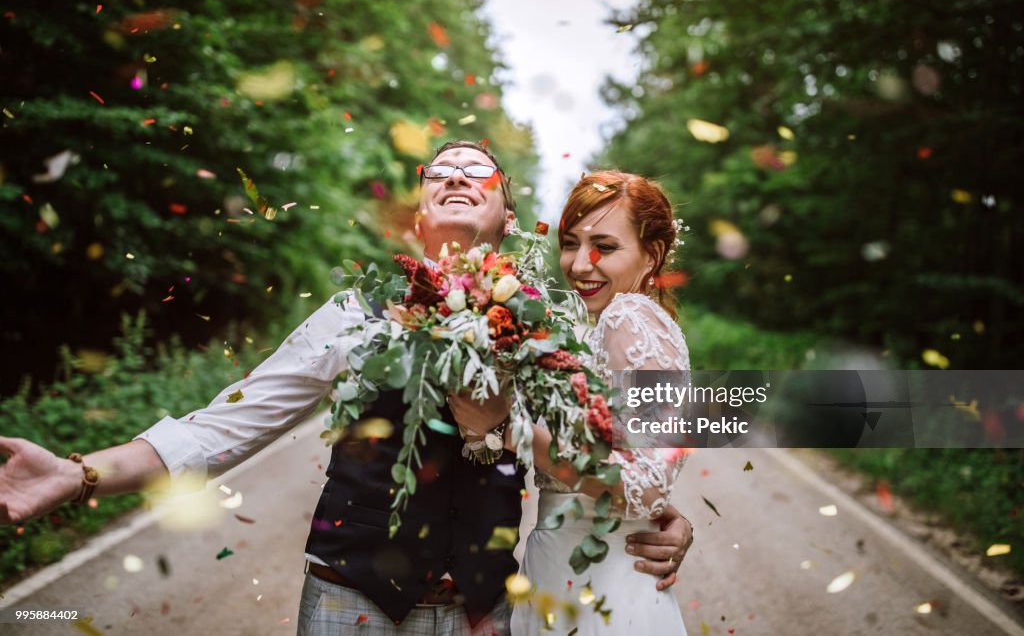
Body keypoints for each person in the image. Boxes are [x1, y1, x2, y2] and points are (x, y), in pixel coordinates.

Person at [0, 143, 693, 635]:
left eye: (476, 169)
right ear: (419, 213)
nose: (454, 173)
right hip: (347, 603)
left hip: (480, 612)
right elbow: (222, 426)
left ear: (508, 217)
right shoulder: (353, 312)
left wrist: (663, 516)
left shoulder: (557, 320)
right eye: (438, 170)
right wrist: (79, 473)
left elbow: (636, 443)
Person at [508, 171, 691, 635]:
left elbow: (648, 485)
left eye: (605, 248)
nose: (580, 264)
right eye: (570, 243)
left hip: (598, 584)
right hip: (573, 570)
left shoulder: (626, 316)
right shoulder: (626, 323)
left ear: (652, 254)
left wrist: (513, 431)